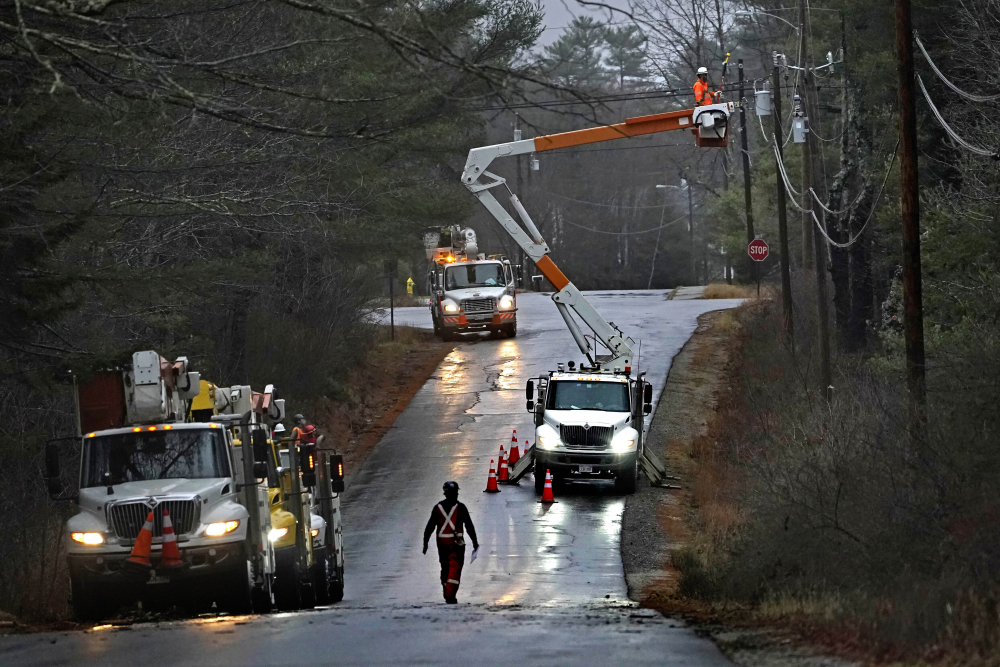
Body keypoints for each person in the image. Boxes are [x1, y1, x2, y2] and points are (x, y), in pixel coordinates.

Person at [422, 481, 479, 604]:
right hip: (455, 544)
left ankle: (445, 586)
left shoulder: (437, 508)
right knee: (455, 567)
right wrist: (475, 542)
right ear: (455, 493)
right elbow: (469, 526)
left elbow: (430, 526)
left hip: (441, 543)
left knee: (445, 567)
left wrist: (425, 542)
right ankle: (450, 594)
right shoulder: (461, 507)